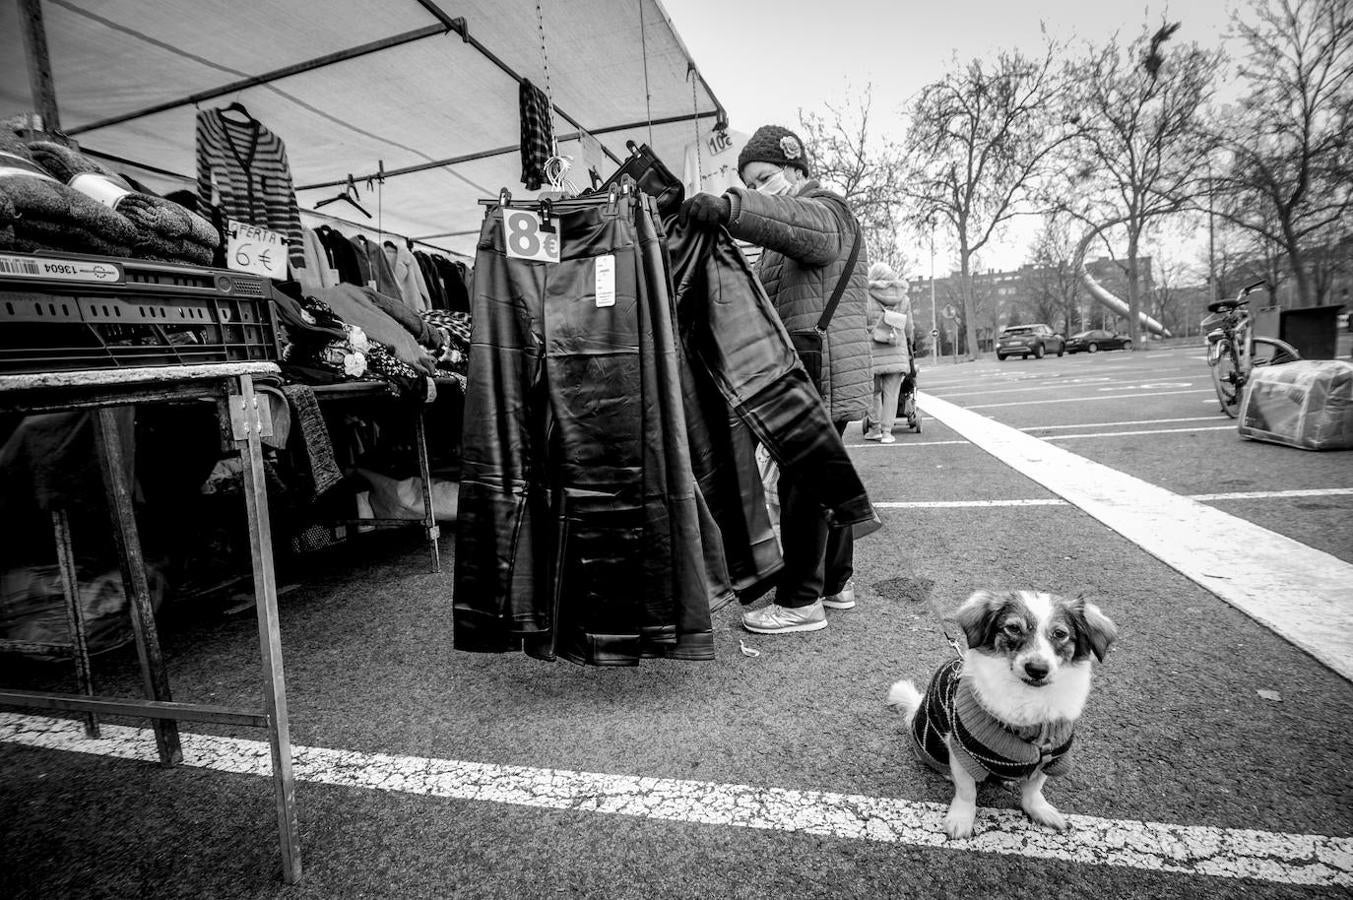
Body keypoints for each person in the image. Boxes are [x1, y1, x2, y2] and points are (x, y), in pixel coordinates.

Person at [679, 124, 871, 635]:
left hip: (819, 363)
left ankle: (800, 603)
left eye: (764, 177)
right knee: (825, 473)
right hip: (816, 360)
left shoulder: (828, 209)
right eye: (749, 181)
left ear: (796, 169)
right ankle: (835, 584)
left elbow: (804, 226)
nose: (759, 187)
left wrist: (734, 207)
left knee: (802, 482)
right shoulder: (790, 228)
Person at [862, 261, 915, 444]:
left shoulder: (865, 296)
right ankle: (887, 432)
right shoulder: (904, 298)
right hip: (896, 347)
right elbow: (909, 328)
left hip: (872, 350)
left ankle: (875, 428)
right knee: (891, 394)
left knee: (872, 392)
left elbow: (861, 322)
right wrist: (909, 345)